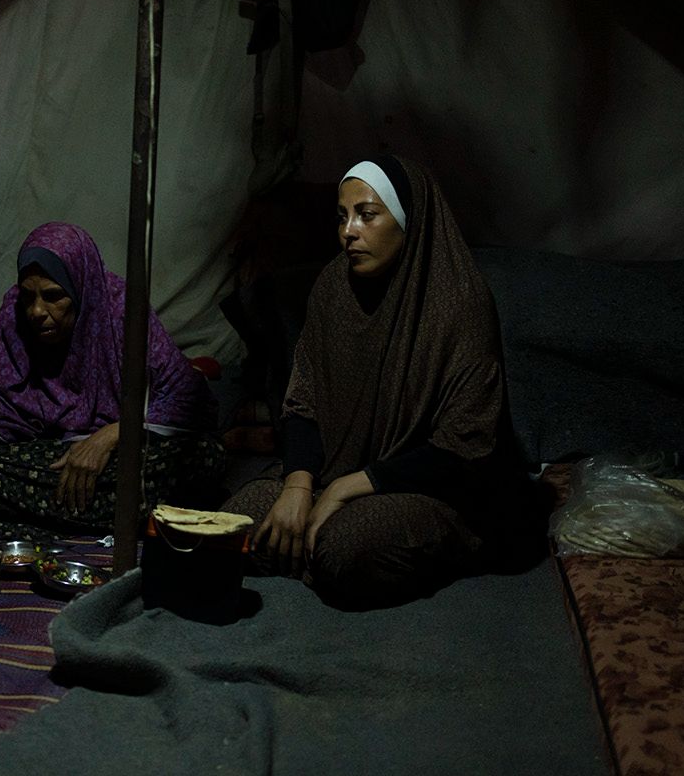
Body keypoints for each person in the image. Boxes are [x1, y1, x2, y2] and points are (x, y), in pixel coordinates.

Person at [222, 155, 534, 608]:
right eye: (343, 217)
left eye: (367, 215)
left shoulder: (458, 304)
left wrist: (346, 489)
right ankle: (311, 548)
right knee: (232, 527)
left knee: (346, 549)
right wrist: (298, 487)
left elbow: (466, 447)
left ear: (409, 220)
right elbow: (303, 402)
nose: (349, 231)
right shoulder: (334, 287)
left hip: (430, 489)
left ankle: (339, 553)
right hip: (338, 468)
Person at [0, 221, 223, 539]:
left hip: (125, 449)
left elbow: (187, 397)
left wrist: (111, 435)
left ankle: (53, 513)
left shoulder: (121, 310)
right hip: (46, 454)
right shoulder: (14, 313)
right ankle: (87, 517)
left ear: (82, 289)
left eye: (53, 297)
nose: (36, 312)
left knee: (201, 461)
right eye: (28, 296)